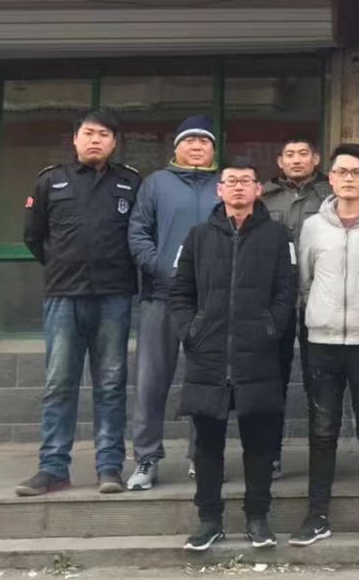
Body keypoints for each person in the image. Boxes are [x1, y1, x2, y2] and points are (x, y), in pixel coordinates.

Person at [170, 157, 296, 552]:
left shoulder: (277, 236)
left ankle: (258, 518)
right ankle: (209, 520)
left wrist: (269, 328)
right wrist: (192, 330)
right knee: (207, 445)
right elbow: (180, 292)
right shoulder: (197, 236)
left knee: (259, 444)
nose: (238, 187)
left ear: (258, 189)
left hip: (257, 353)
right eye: (231, 181)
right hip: (208, 354)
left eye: (246, 180)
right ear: (219, 189)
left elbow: (286, 291)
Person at [16, 110, 139, 498]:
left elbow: (140, 235)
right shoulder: (51, 180)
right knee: (59, 384)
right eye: (88, 133)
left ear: (114, 142)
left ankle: (110, 467)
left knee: (111, 384)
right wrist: (62, 266)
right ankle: (53, 468)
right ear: (75, 139)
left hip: (114, 296)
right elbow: (33, 237)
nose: (95, 140)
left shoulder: (130, 183)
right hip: (64, 296)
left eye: (104, 134)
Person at [289, 144, 359, 548]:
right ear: (331, 178)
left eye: (356, 172)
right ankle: (316, 515)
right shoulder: (313, 227)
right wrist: (320, 315)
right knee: (322, 430)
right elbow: (305, 281)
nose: (349, 179)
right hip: (322, 342)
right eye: (341, 172)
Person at [125, 116, 220, 491]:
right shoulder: (155, 184)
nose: (197, 146)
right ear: (176, 147)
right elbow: (138, 234)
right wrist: (165, 269)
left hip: (210, 301)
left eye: (204, 141)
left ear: (214, 149)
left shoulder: (224, 184)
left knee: (207, 382)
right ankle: (146, 458)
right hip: (161, 296)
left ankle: (202, 456)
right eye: (189, 140)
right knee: (151, 382)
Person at [263, 135, 333, 479]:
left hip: (319, 292)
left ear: (315, 159)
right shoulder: (264, 196)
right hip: (274, 295)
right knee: (271, 377)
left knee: (317, 379)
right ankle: (270, 455)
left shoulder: (330, 194)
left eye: (303, 153)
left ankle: (321, 458)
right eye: (289, 154)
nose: (296, 160)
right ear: (280, 161)